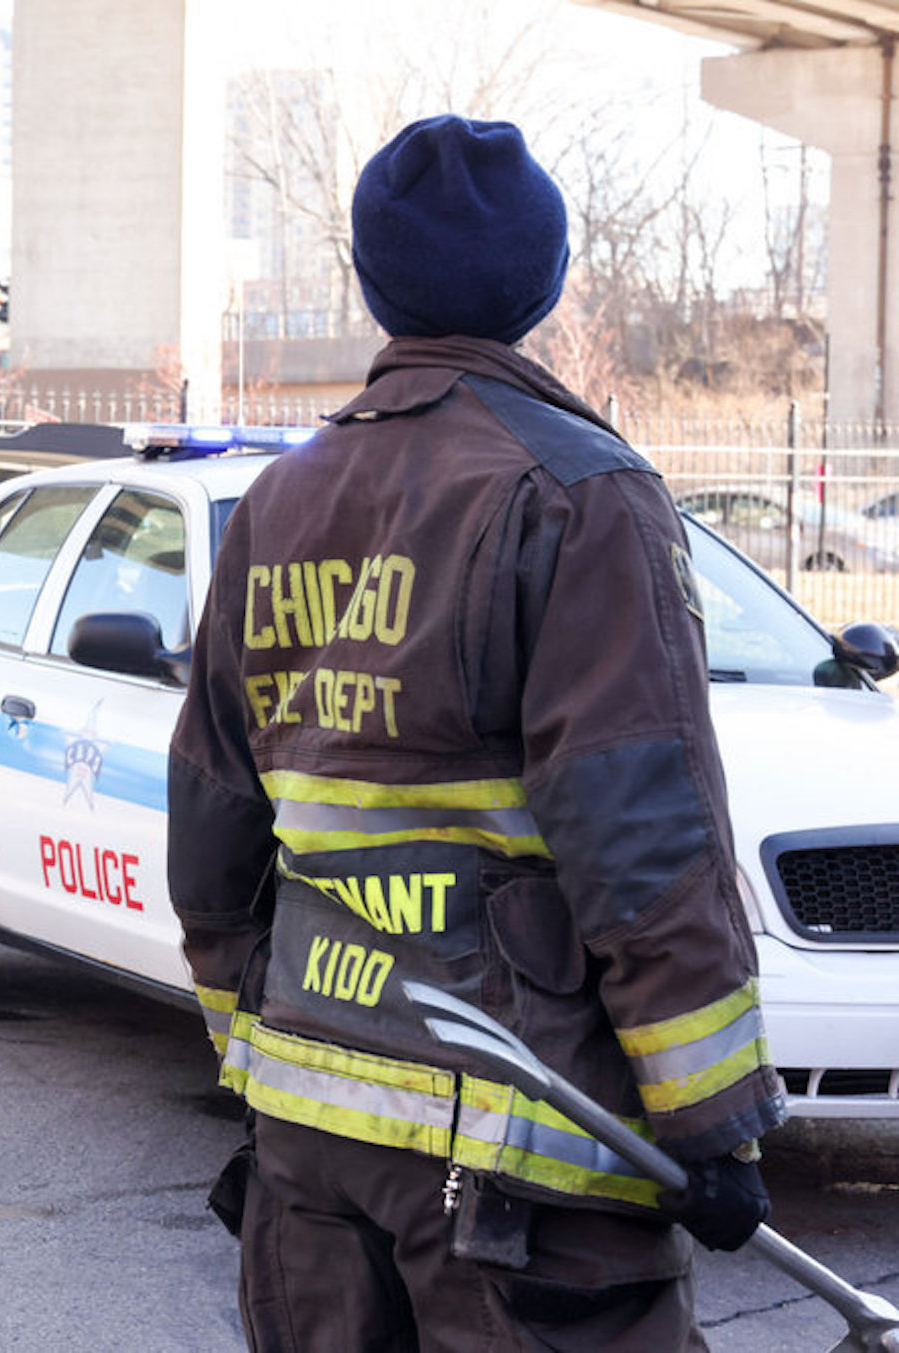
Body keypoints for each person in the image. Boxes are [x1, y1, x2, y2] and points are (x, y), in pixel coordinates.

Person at [167, 114, 788, 1350]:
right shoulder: (581, 492)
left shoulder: (276, 502)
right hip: (522, 1158)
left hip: (311, 1141)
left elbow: (214, 815)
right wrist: (714, 1118)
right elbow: (639, 830)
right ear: (547, 282)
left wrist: (256, 1041)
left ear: (370, 281)